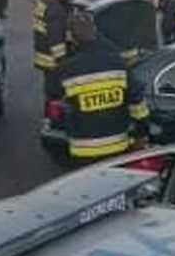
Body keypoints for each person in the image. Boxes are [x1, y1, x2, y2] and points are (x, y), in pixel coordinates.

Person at [53, 10, 149, 162]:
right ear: (95, 32)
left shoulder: (66, 70)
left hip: (82, 150)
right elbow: (138, 104)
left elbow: (56, 102)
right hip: (118, 146)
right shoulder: (117, 63)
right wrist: (141, 134)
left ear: (71, 37)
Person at [32, 0, 75, 95]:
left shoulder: (44, 1)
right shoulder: (56, 9)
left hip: (43, 56)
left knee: (50, 92)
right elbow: (56, 40)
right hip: (53, 62)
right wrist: (64, 63)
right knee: (56, 95)